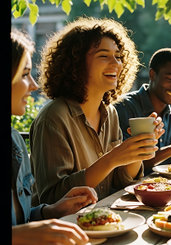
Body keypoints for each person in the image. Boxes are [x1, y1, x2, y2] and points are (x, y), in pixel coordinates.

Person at [30, 17, 164, 205]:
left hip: (105, 221)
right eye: (103, 55)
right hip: (68, 228)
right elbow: (52, 197)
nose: (116, 63)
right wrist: (111, 159)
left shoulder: (110, 114)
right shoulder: (53, 118)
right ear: (75, 62)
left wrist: (137, 150)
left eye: (118, 56)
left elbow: (120, 181)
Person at [11, 28, 98, 245]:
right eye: (24, 74)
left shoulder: (15, 142)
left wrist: (52, 210)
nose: (34, 84)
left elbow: (22, 220)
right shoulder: (53, 117)